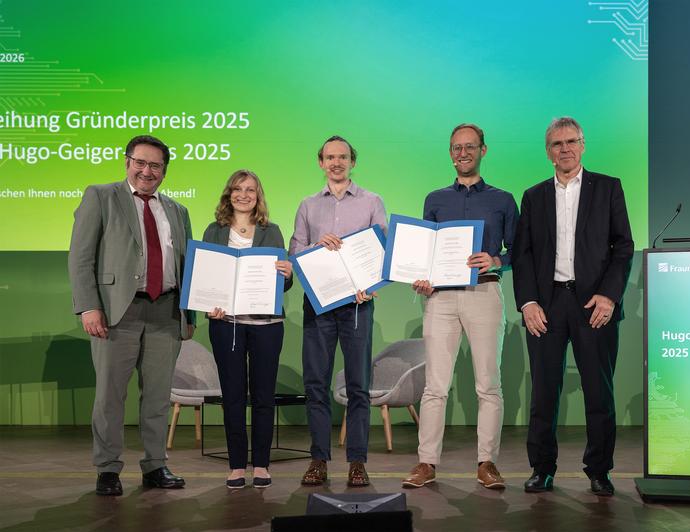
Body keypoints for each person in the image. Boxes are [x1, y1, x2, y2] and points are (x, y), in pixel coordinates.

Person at [512, 117, 633, 496]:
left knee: (599, 392)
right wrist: (528, 302)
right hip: (547, 304)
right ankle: (542, 469)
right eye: (556, 144)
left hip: (593, 302)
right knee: (544, 392)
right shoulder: (533, 196)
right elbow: (524, 254)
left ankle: (599, 470)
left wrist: (610, 296)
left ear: (583, 145)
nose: (564, 149)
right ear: (548, 152)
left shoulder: (609, 188)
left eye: (571, 142)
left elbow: (623, 246)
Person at [68, 135, 194, 496]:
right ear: (127, 163)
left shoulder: (177, 211)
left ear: (164, 171)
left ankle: (155, 466)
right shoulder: (101, 196)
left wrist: (190, 316)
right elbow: (80, 257)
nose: (146, 171)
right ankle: (107, 469)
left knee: (157, 397)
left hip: (166, 311)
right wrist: (88, 306)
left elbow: (187, 267)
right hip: (115, 313)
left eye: (155, 165)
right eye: (140, 162)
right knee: (110, 397)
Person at [402, 124, 519, 490]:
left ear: (484, 150)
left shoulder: (503, 199)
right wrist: (422, 277)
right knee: (435, 386)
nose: (462, 153)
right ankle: (426, 463)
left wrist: (497, 260)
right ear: (450, 153)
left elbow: (520, 251)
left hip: (484, 294)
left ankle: (487, 462)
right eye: (456, 148)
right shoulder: (434, 199)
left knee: (489, 385)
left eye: (470, 147)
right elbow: (426, 251)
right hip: (440, 298)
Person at [289, 135, 387, 487]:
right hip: (319, 304)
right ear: (321, 162)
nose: (336, 162)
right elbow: (295, 254)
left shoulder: (372, 201)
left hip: (357, 305)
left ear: (352, 161)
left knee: (359, 386)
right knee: (316, 384)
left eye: (342, 157)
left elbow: (381, 252)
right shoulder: (307, 205)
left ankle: (357, 461)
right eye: (330, 157)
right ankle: (318, 459)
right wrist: (316, 246)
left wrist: (371, 284)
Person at [202, 169, 293, 489]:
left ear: (258, 195)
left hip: (267, 325)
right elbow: (205, 277)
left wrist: (287, 274)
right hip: (226, 324)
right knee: (233, 396)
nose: (244, 194)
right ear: (229, 194)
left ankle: (262, 465)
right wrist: (207, 303)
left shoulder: (273, 231)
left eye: (250, 189)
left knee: (264, 396)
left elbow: (285, 282)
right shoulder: (213, 230)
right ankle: (237, 465)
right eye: (238, 189)